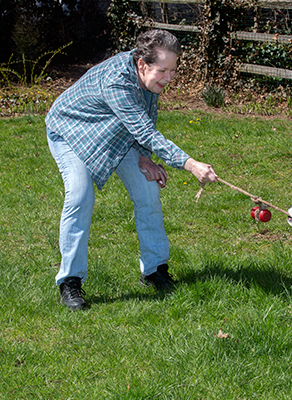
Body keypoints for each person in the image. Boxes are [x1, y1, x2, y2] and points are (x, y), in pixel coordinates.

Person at [46, 29, 218, 310]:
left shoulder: (150, 81)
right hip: (70, 130)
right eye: (163, 70)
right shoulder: (118, 82)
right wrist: (190, 164)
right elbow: (144, 130)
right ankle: (70, 281)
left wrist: (144, 158)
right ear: (142, 64)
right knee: (79, 194)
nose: (169, 78)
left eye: (173, 70)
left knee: (147, 188)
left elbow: (143, 122)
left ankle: (154, 271)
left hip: (115, 132)